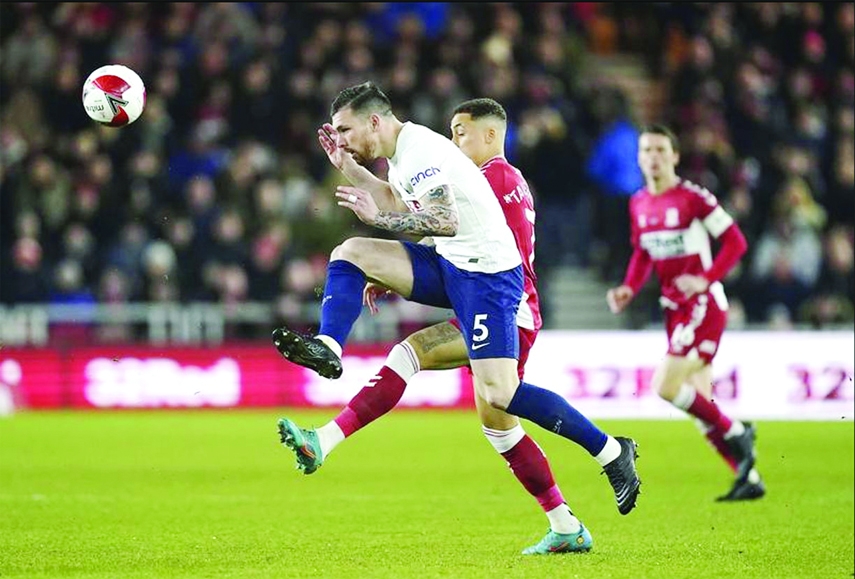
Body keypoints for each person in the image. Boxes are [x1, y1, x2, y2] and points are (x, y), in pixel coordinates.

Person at [271, 83, 640, 554]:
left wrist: (381, 221)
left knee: (499, 399)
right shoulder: (404, 157)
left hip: (490, 284)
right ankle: (329, 349)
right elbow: (402, 204)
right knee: (352, 254)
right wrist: (352, 171)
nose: (340, 138)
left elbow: (442, 220)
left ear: (375, 122)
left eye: (345, 130)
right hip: (455, 268)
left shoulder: (439, 155)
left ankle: (611, 451)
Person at [606, 124, 765, 501]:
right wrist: (630, 286)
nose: (653, 157)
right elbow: (643, 252)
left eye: (661, 149)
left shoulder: (693, 198)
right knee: (700, 402)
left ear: (675, 156)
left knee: (665, 386)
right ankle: (749, 478)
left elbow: (735, 242)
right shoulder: (639, 202)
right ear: (639, 157)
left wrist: (705, 279)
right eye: (647, 150)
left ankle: (738, 431)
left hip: (703, 305)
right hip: (674, 310)